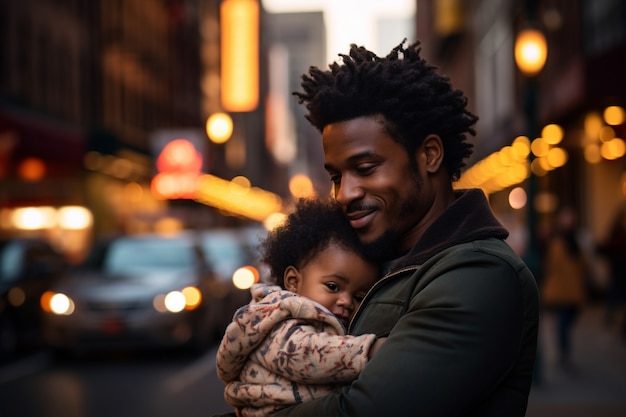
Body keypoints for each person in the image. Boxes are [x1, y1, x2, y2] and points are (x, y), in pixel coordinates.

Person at [267, 39, 537, 416]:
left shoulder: (480, 274)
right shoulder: (376, 257)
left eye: (365, 169)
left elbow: (364, 411)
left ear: (429, 155)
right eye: (335, 176)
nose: (345, 193)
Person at [216, 198, 384, 417]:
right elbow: (304, 354)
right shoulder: (279, 320)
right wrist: (370, 350)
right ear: (294, 281)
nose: (346, 301)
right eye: (333, 286)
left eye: (359, 296)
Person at [540, 206, 589, 371]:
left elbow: (583, 265)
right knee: (563, 323)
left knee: (567, 322)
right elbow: (551, 265)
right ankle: (564, 354)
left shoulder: (576, 239)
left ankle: (564, 353)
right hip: (561, 289)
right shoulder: (555, 240)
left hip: (574, 288)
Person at [597, 206, 626, 341]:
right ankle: (611, 320)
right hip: (618, 272)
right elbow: (607, 248)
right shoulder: (617, 234)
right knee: (613, 297)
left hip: (619, 272)